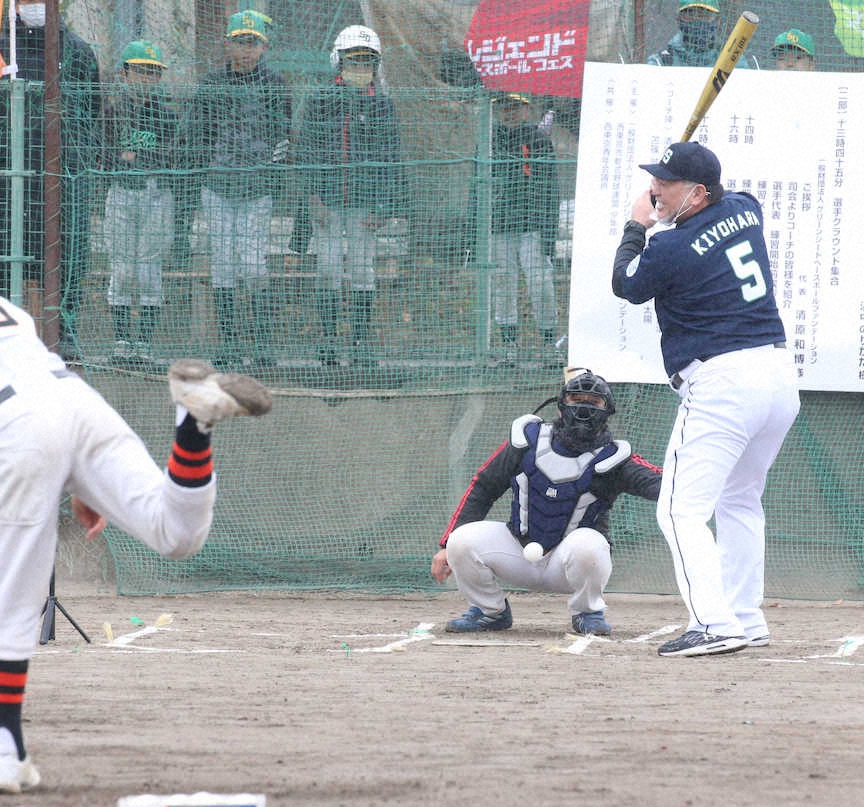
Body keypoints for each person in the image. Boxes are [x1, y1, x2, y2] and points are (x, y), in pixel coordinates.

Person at [0, 197, 272, 793]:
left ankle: (6, 752)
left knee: (15, 598)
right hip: (75, 401)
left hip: (18, 425)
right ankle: (194, 423)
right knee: (175, 533)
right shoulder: (3, 307)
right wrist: (78, 474)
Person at [612, 141, 800, 657]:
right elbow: (726, 197)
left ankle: (714, 623)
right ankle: (744, 616)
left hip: (725, 382)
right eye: (655, 181)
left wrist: (637, 227)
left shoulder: (669, 248)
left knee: (678, 511)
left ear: (698, 193)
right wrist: (674, 198)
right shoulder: (745, 210)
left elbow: (625, 284)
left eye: (666, 183)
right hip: (778, 377)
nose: (655, 189)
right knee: (740, 500)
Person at [430, 370, 662, 635]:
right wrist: (446, 545)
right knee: (461, 540)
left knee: (591, 544)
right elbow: (484, 486)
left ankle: (587, 612)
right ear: (562, 406)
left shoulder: (613, 457)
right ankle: (489, 611)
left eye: (593, 402)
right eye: (576, 399)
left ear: (607, 410)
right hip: (518, 552)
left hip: (568, 563)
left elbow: (663, 484)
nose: (584, 408)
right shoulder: (528, 439)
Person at [0, 0, 101, 359]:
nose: (30, 6)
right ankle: (2, 331)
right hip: (6, 172)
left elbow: (91, 109)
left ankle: (62, 334)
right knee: (1, 247)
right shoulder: (0, 48)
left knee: (65, 250)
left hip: (61, 173)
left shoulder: (77, 51)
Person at [183, 9, 292, 369]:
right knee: (223, 264)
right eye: (240, 43)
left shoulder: (275, 85)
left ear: (264, 47)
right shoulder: (212, 84)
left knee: (254, 264)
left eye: (253, 43)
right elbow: (198, 134)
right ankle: (228, 342)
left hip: (257, 190)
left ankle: (262, 342)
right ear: (227, 45)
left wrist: (272, 182)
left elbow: (282, 138)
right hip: (217, 187)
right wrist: (203, 174)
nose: (246, 50)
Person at [298, 24, 408, 367]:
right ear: (338, 62)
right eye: (353, 62)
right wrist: (312, 196)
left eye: (366, 63)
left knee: (362, 271)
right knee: (329, 269)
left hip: (364, 204)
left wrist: (383, 206)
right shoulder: (321, 99)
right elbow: (307, 150)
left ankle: (361, 340)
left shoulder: (382, 105)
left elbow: (391, 156)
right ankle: (328, 339)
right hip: (328, 202)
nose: (360, 70)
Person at [101, 40, 178, 368]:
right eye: (140, 71)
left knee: (149, 268)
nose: (146, 78)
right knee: (121, 267)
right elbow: (101, 152)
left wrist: (140, 156)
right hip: (120, 190)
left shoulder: (167, 113)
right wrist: (121, 160)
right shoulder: (111, 109)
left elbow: (174, 154)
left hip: (155, 191)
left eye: (152, 72)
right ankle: (121, 340)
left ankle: (144, 341)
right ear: (124, 73)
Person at [489, 93, 561, 367]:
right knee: (503, 282)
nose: (509, 112)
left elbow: (550, 188)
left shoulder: (539, 139)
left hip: (533, 225)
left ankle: (548, 343)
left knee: (540, 282)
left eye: (515, 107)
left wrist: (548, 233)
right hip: (498, 225)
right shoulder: (490, 139)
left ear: (526, 109)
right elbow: (477, 186)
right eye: (504, 107)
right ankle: (508, 344)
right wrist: (474, 229)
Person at [647, 1, 754, 68]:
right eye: (691, 15)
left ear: (718, 21)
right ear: (679, 20)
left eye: (705, 15)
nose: (697, 21)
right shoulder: (661, 63)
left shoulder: (733, 61)